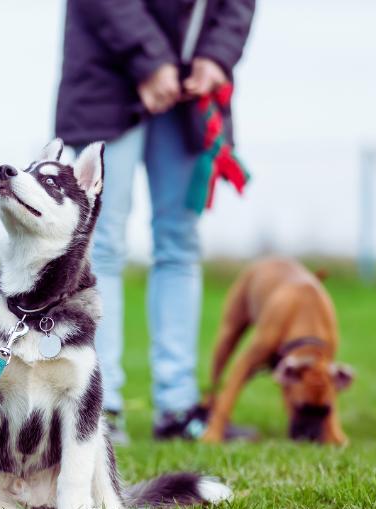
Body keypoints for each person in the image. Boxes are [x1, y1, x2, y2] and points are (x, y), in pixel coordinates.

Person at [55, 0, 255, 444]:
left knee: (180, 244)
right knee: (99, 244)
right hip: (106, 78)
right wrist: (152, 61)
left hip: (190, 90)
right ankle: (98, 408)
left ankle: (178, 408)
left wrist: (216, 56)